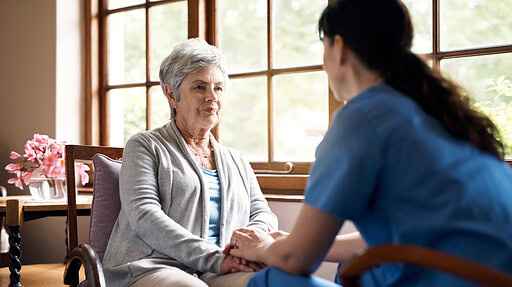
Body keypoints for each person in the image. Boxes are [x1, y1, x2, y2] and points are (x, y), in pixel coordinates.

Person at [226, 0, 512, 286]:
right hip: (487, 274)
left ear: (339, 47)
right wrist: (290, 241)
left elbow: (295, 260)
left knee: (273, 279)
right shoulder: (433, 111)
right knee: (349, 267)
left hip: (454, 276)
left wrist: (261, 246)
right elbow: (410, 233)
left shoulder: (362, 117)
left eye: (323, 47)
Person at [102, 38, 278, 287]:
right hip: (152, 266)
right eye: (199, 87)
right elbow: (144, 215)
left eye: (218, 88)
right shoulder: (144, 145)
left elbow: (263, 213)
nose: (212, 97)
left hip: (218, 269)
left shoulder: (236, 159)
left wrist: (246, 244)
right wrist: (214, 258)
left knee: (274, 281)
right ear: (171, 94)